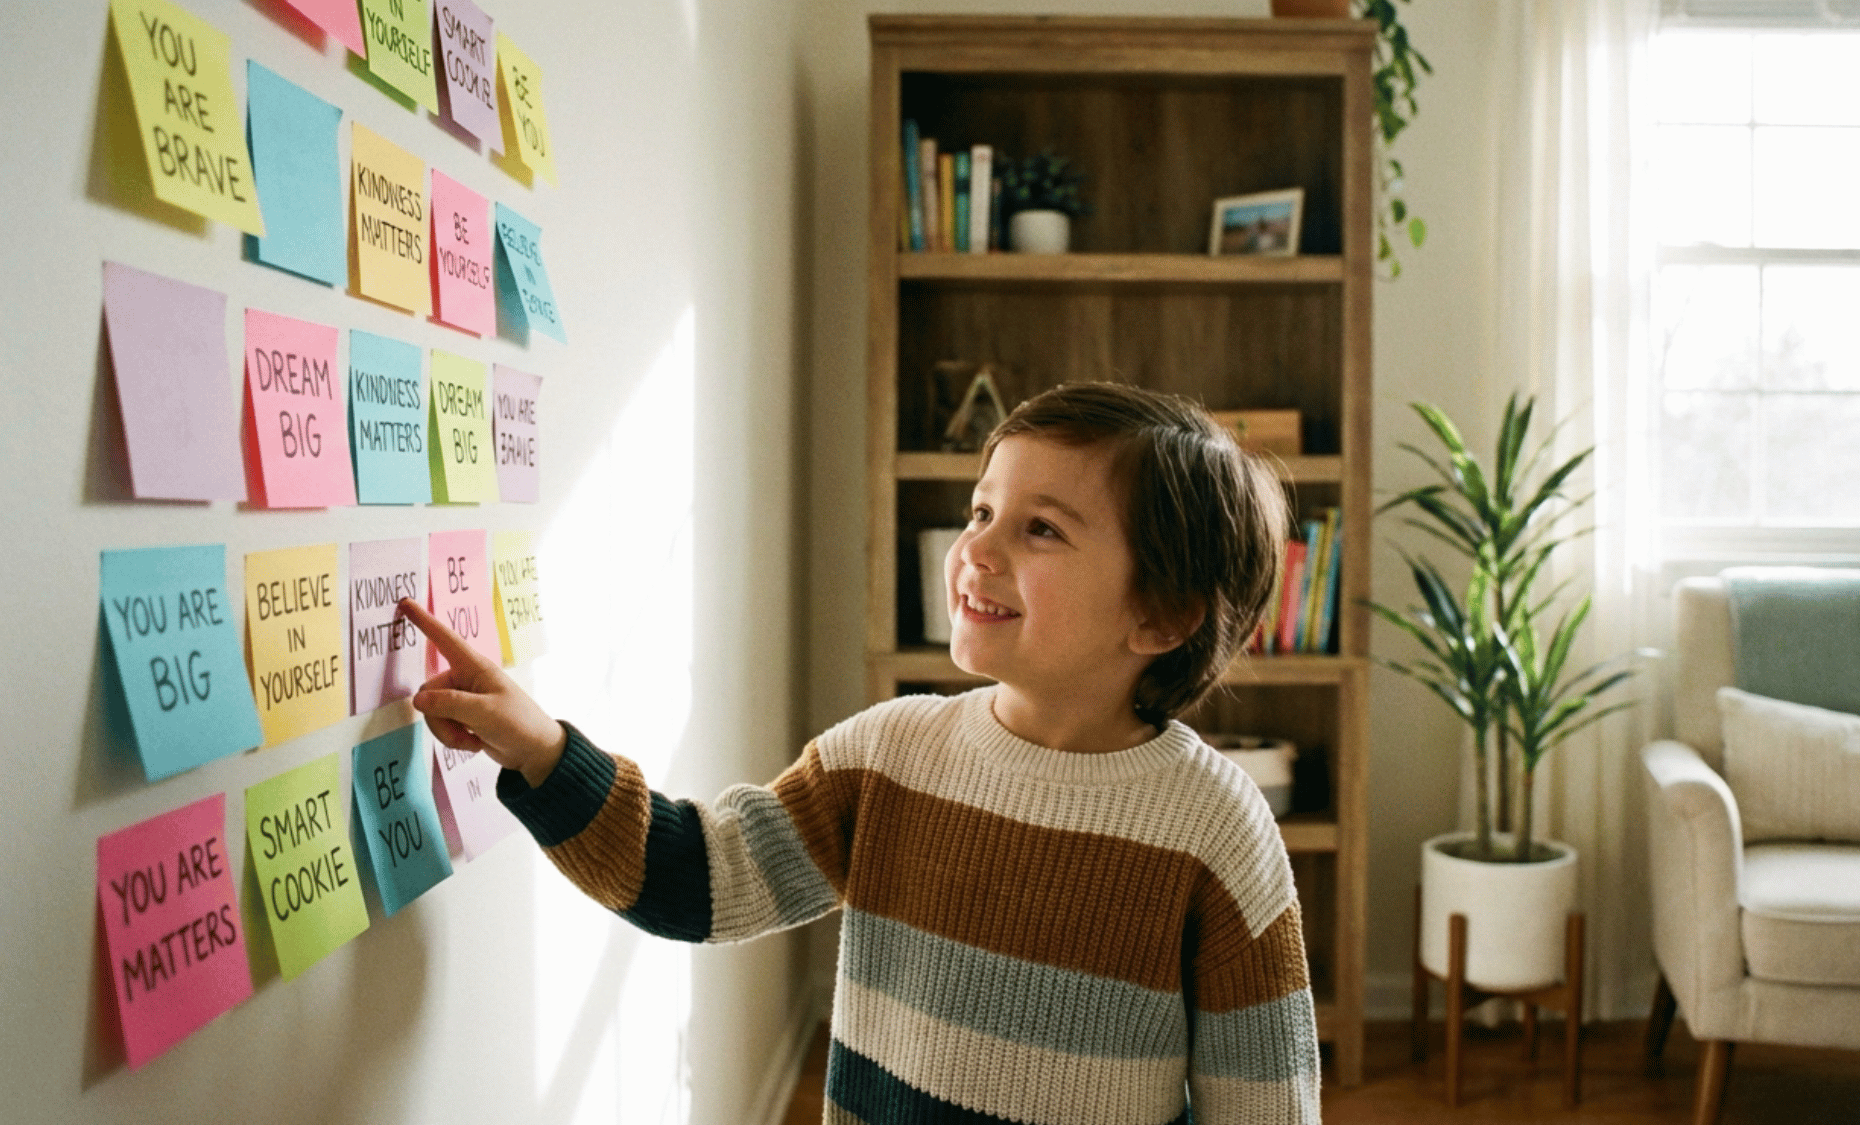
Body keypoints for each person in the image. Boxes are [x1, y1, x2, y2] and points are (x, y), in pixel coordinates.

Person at [399, 381, 1321, 1124]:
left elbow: (1266, 1106)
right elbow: (697, 877)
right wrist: (542, 750)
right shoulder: (889, 755)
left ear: (1159, 615)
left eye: (1040, 527)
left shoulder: (1216, 831)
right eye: (981, 509)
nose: (975, 548)